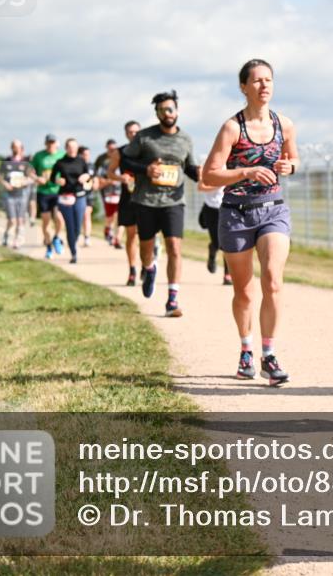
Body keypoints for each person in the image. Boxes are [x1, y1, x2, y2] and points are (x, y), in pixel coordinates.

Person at [203, 59, 298, 386]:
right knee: (244, 291)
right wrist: (244, 171)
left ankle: (268, 356)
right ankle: (246, 350)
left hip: (272, 209)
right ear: (244, 87)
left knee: (272, 280)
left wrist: (290, 167)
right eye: (256, 81)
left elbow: (293, 157)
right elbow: (209, 174)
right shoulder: (232, 128)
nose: (264, 86)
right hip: (236, 213)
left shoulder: (283, 124)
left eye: (268, 80)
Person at [121, 92, 200, 317]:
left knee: (174, 247)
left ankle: (172, 300)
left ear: (177, 111)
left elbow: (190, 168)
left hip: (174, 201)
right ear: (157, 113)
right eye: (163, 110)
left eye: (171, 109)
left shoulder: (185, 139)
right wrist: (145, 169)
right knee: (146, 248)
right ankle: (149, 268)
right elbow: (126, 160)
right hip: (145, 200)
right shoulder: (145, 137)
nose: (167, 113)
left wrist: (201, 174)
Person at [109, 121, 142, 285]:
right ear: (126, 133)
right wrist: (120, 178)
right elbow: (110, 172)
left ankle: (147, 265)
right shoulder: (119, 152)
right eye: (130, 132)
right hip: (127, 197)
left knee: (145, 236)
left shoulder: (147, 150)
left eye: (136, 131)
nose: (133, 134)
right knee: (131, 235)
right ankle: (132, 270)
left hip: (146, 198)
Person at [50, 138, 92, 264]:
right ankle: (74, 253)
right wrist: (58, 181)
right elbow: (52, 178)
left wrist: (86, 177)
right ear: (66, 148)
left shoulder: (81, 161)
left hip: (79, 196)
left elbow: (89, 175)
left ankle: (73, 241)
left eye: (74, 146)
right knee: (69, 225)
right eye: (70, 146)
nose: (72, 149)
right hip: (65, 196)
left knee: (77, 227)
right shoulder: (60, 162)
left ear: (77, 147)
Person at [31, 134, 66, 259]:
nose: (51, 145)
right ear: (45, 143)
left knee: (59, 218)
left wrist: (63, 179)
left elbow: (68, 170)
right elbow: (29, 171)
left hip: (57, 191)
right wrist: (36, 178)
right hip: (43, 192)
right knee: (46, 221)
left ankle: (56, 237)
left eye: (53, 142)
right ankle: (48, 246)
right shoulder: (39, 156)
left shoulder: (62, 155)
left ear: (57, 143)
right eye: (49, 143)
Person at [0, 140, 34, 249]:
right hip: (9, 194)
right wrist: (5, 184)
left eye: (18, 147)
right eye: (14, 147)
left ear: (21, 148)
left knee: (20, 219)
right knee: (12, 220)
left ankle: (16, 240)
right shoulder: (6, 161)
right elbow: (0, 177)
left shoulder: (26, 162)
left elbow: (32, 177)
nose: (16, 149)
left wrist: (25, 182)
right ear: (11, 148)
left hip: (22, 194)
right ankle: (6, 235)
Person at [197, 181, 233, 283]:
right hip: (211, 208)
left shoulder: (233, 166)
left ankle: (227, 275)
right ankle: (212, 250)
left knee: (227, 243)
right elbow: (200, 187)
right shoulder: (208, 166)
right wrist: (217, 185)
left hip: (228, 207)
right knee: (218, 243)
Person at [95, 139, 121, 246]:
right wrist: (110, 181)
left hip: (120, 192)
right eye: (110, 149)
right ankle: (108, 229)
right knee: (110, 215)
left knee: (119, 215)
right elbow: (98, 177)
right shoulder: (102, 161)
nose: (112, 151)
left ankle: (117, 239)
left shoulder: (121, 159)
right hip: (107, 191)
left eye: (114, 149)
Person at [79, 145, 96, 247]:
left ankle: (87, 237)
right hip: (77, 194)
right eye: (85, 154)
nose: (87, 156)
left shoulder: (91, 166)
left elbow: (95, 178)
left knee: (86, 214)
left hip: (89, 195)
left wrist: (95, 183)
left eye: (88, 154)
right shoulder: (76, 165)